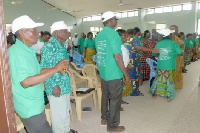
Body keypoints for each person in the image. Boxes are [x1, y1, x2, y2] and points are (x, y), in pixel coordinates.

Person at [9, 15, 69, 133]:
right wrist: (56, 69)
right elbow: (25, 82)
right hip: (28, 106)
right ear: (22, 33)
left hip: (35, 102)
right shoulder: (16, 53)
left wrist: (56, 69)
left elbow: (37, 71)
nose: (38, 34)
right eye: (34, 30)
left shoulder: (28, 50)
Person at [95, 11, 130, 132]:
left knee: (106, 95)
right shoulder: (113, 34)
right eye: (116, 19)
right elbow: (117, 57)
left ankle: (104, 118)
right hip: (114, 73)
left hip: (103, 72)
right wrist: (126, 74)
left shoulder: (99, 35)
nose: (116, 22)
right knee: (115, 99)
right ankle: (113, 126)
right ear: (112, 20)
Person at [40, 21, 77, 133]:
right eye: (65, 30)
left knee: (65, 111)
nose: (68, 32)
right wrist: (54, 85)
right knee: (58, 116)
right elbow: (45, 68)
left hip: (64, 83)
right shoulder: (49, 46)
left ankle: (66, 130)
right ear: (56, 33)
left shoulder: (63, 44)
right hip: (56, 86)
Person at [149, 29, 183, 102]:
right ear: (170, 35)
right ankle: (169, 97)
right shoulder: (173, 43)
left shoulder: (159, 43)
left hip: (160, 65)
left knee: (157, 80)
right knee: (169, 81)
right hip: (170, 65)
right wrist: (174, 54)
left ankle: (154, 94)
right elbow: (180, 52)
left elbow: (153, 54)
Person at [126, 29, 160, 96]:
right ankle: (134, 92)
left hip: (126, 61)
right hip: (133, 61)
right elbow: (140, 48)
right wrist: (153, 50)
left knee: (128, 76)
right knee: (134, 77)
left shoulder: (123, 40)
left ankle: (128, 91)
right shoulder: (134, 41)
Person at [116, 29, 130, 110]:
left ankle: (120, 100)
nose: (126, 37)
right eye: (124, 36)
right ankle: (116, 105)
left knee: (120, 87)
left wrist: (128, 65)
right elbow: (118, 59)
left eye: (126, 35)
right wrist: (126, 74)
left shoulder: (123, 45)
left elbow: (124, 58)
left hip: (123, 68)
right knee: (117, 88)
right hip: (118, 69)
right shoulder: (117, 46)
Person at [169, 25, 184, 89]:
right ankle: (168, 84)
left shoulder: (178, 39)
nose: (172, 31)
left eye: (174, 30)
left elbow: (181, 50)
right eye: (171, 29)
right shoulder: (166, 38)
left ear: (176, 30)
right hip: (168, 59)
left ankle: (175, 85)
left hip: (176, 59)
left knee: (176, 71)